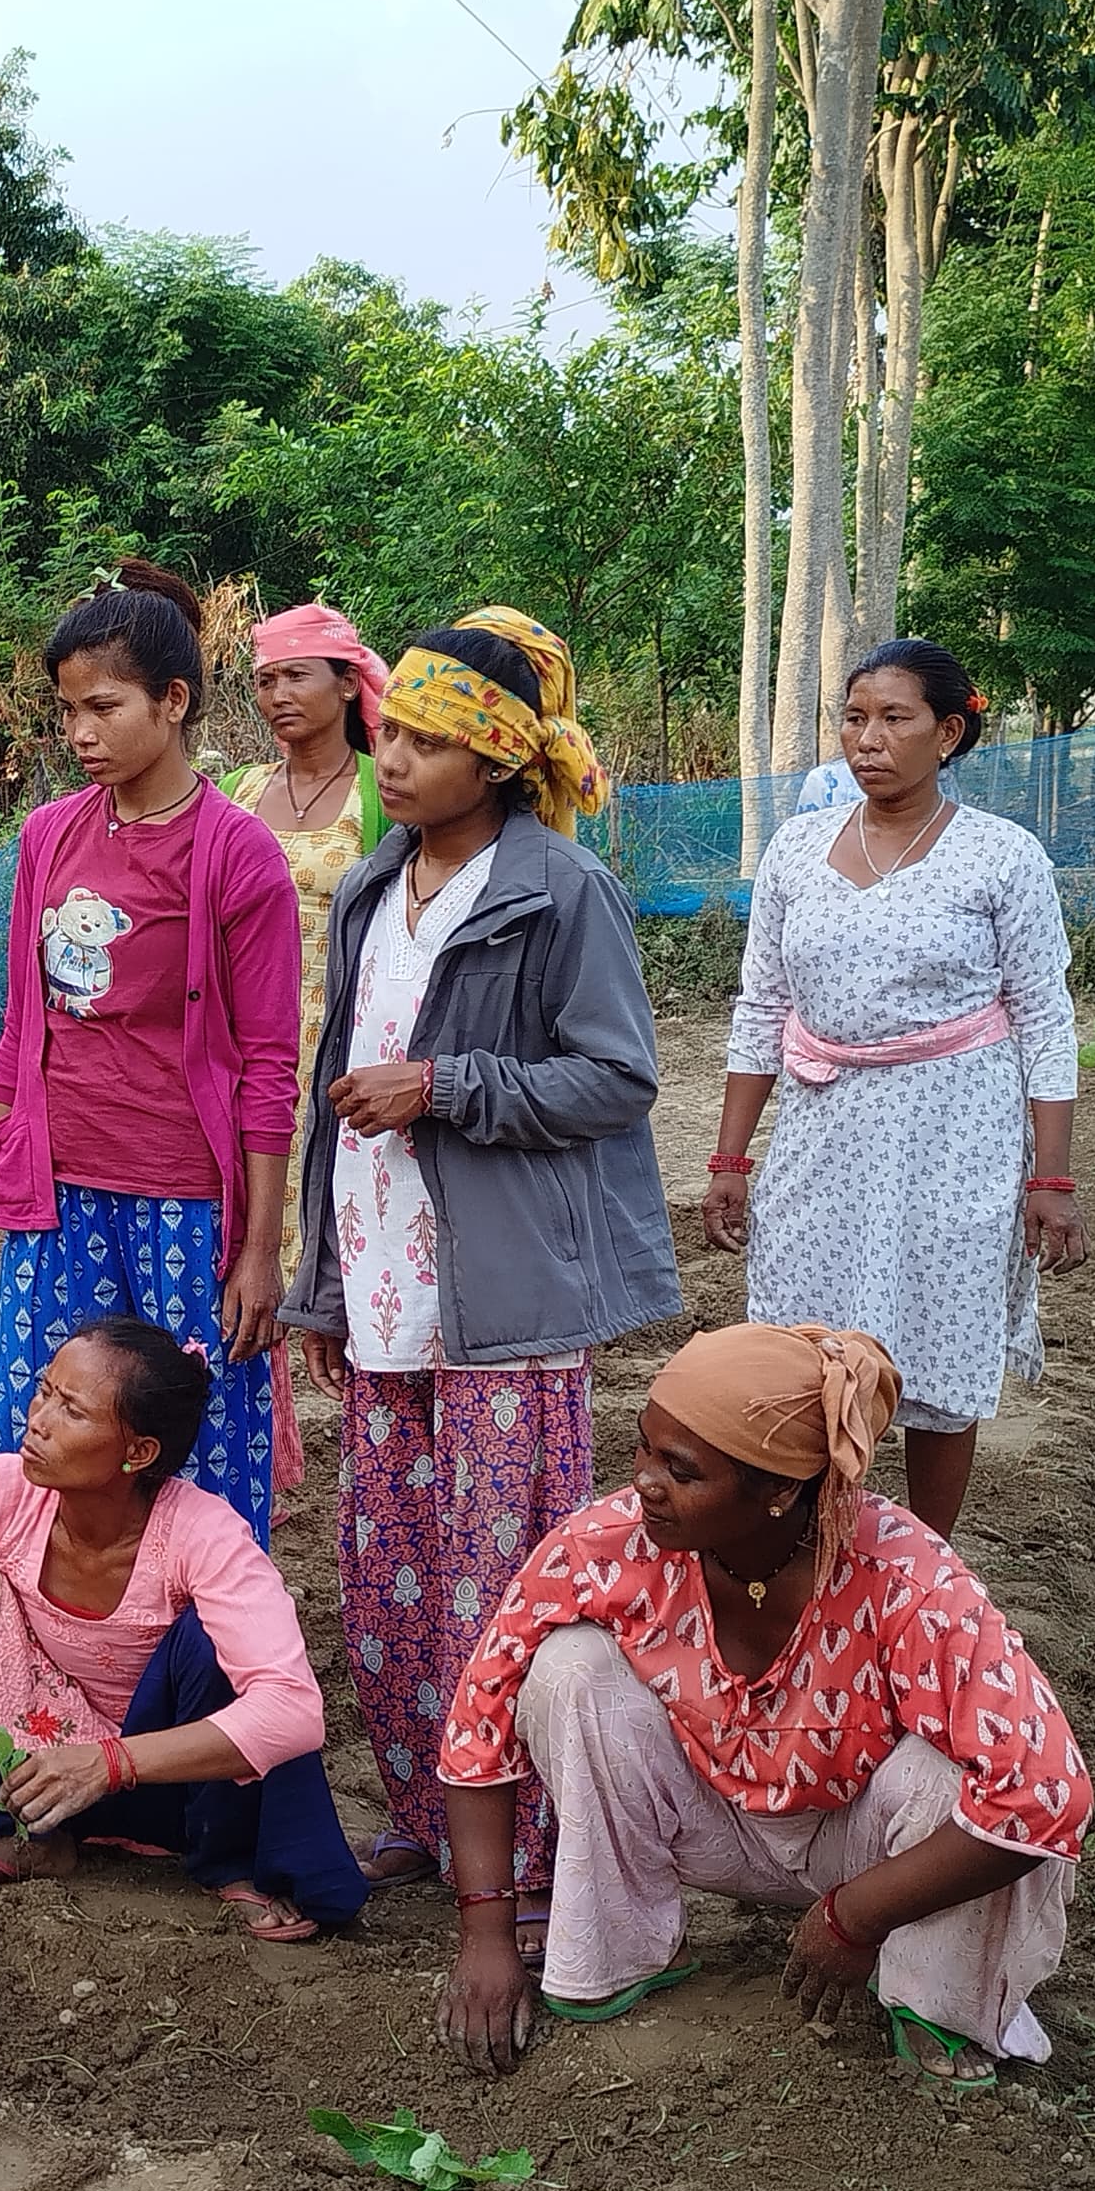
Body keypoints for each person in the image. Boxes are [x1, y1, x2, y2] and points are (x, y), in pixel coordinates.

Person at [285, 610, 671, 1936]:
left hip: (501, 1299)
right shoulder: (365, 890)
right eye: (394, 731)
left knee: (501, 1580)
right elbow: (333, 1105)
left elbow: (618, 1077)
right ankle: (421, 1809)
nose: (395, 759)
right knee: (388, 1567)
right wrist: (325, 1287)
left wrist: (449, 1087)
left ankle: (538, 1837)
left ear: (499, 763)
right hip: (385, 1279)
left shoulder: (560, 889)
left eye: (433, 742)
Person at [426, 1322, 1087, 2081]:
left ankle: (936, 2004)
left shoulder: (908, 1581)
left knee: (956, 1778)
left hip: (865, 1842)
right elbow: (480, 1716)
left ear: (778, 1491)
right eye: (645, 1447)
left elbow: (1048, 1793)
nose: (643, 1480)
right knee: (568, 1669)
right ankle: (619, 1952)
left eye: (681, 1468)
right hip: (706, 1817)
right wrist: (486, 1934)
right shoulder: (611, 1544)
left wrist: (856, 1916)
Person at [0, 560, 305, 1541]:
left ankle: (203, 1659)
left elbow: (271, 1064)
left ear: (172, 700)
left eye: (101, 707)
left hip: (186, 1200)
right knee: (49, 1435)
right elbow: (24, 1030)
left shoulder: (237, 854)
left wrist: (260, 1252)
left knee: (196, 1439)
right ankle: (49, 1647)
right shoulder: (50, 837)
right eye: (67, 712)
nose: (78, 734)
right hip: (57, 1194)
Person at [0, 1317, 368, 1943]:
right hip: (38, 1779)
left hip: (174, 1785)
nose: (36, 1420)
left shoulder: (205, 1534)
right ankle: (1, 1831)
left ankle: (228, 1859)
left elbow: (294, 1711)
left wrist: (110, 1762)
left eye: (70, 1410)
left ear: (138, 1453)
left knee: (216, 1646)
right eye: (44, 1390)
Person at [707, 639, 1083, 1539]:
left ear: (949, 733)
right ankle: (817, 1542)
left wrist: (1052, 1179)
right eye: (854, 717)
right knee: (806, 1342)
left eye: (895, 718)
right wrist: (729, 1156)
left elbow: (1045, 1018)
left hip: (957, 1131)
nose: (868, 739)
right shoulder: (797, 850)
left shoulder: (1001, 856)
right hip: (823, 1128)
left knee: (937, 1343)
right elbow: (762, 1004)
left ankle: (924, 1567)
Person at [233, 602, 391, 1255]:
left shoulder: (381, 794)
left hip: (340, 1046)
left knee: (338, 1222)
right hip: (245, 1049)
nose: (279, 695)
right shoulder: (237, 791)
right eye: (267, 681)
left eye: (297, 676)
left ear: (348, 683)